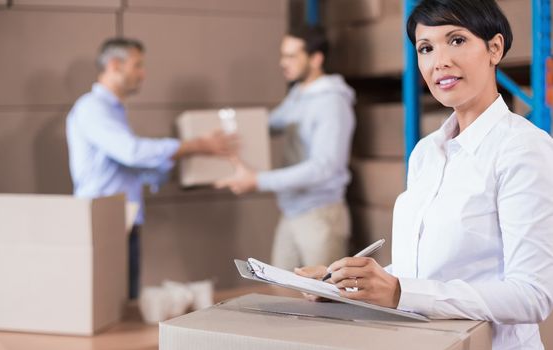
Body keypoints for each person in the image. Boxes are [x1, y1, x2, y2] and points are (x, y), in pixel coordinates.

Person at [296, 0, 553, 348]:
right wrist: (347, 284)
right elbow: (423, 274)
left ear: (495, 48)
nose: (440, 61)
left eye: (457, 40)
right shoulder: (426, 153)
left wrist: (400, 291)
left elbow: (532, 295)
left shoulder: (523, 149)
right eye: (426, 48)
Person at [66, 38, 236, 299]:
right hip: (103, 221)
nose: (143, 74)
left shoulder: (113, 111)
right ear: (114, 65)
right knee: (108, 303)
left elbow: (126, 165)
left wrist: (175, 167)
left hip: (123, 220)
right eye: (138, 65)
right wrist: (193, 146)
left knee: (125, 301)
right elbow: (131, 152)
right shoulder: (92, 108)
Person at [216, 26, 356, 271]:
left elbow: (324, 168)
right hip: (292, 211)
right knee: (280, 292)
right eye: (283, 55)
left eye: (291, 56)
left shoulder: (331, 103)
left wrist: (257, 180)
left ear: (316, 59)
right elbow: (269, 125)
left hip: (320, 215)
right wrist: (221, 132)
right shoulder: (298, 95)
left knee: (323, 300)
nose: (283, 62)